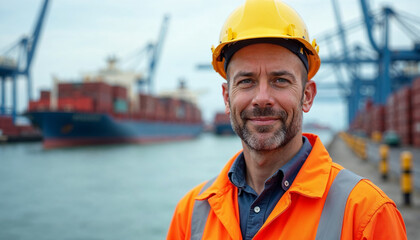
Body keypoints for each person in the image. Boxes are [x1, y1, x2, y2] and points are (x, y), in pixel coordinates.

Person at [167, 0, 407, 239]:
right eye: (246, 81)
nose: (262, 99)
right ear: (226, 98)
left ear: (307, 96)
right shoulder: (189, 215)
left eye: (280, 80)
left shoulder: (367, 215)